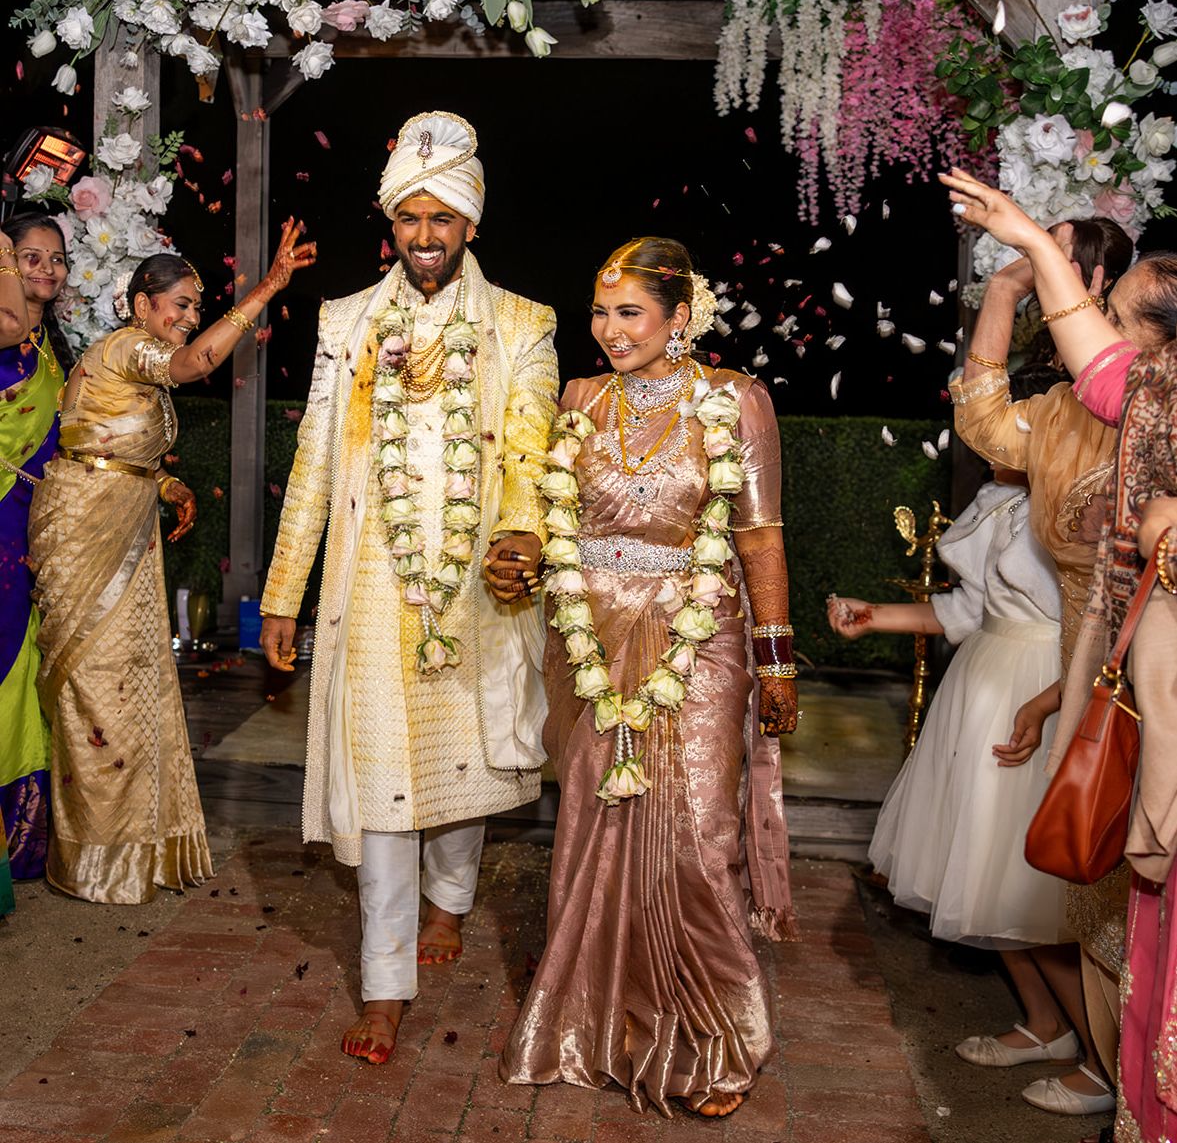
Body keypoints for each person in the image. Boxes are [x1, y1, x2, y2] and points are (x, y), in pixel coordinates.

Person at [259, 111, 558, 1067]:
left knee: (462, 769)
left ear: (471, 224)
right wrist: (281, 593)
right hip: (373, 583)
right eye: (409, 220)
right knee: (385, 784)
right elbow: (312, 461)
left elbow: (529, 446)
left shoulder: (522, 323)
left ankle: (452, 898)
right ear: (389, 225)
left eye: (442, 220)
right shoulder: (345, 322)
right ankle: (387, 980)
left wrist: (520, 534)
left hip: (479, 584)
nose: (425, 238)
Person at [498, 237, 798, 1119]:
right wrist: (530, 564)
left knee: (698, 836)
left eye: (629, 312)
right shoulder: (580, 399)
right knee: (594, 825)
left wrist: (776, 658)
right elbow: (555, 521)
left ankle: (714, 1034)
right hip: (588, 638)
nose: (608, 330)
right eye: (600, 312)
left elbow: (759, 536)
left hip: (697, 637)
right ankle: (591, 1021)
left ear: (680, 315)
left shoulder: (734, 401)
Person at [940, 168, 1177, 1137]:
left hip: (1140, 669)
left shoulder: (1139, 401)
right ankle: (1115, 1072)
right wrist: (1022, 260)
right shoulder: (1129, 396)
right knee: (1106, 894)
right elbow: (990, 415)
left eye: (1112, 310)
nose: (1092, 331)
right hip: (1107, 660)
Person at [828, 368, 1110, 1114]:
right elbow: (969, 612)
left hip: (1045, 685)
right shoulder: (993, 500)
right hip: (982, 681)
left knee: (1033, 885)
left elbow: (1099, 623)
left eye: (1011, 418)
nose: (990, 431)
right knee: (978, 870)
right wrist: (876, 617)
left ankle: (1101, 1062)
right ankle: (1044, 1024)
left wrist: (1052, 702)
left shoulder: (1079, 502)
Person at [27, 221, 316, 904]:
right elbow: (194, 366)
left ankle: (137, 844)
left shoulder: (136, 363)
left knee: (132, 685)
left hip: (120, 521)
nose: (188, 317)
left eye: (194, 305)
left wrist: (168, 484)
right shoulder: (133, 347)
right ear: (139, 306)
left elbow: (109, 442)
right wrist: (268, 288)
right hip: (85, 530)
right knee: (97, 685)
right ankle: (97, 855)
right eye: (179, 305)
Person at [0, 213, 71, 891]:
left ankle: (23, 844)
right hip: (0, 528)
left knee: (30, 671)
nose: (45, 269)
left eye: (55, 259)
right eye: (30, 256)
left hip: (40, 532)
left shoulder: (54, 342)